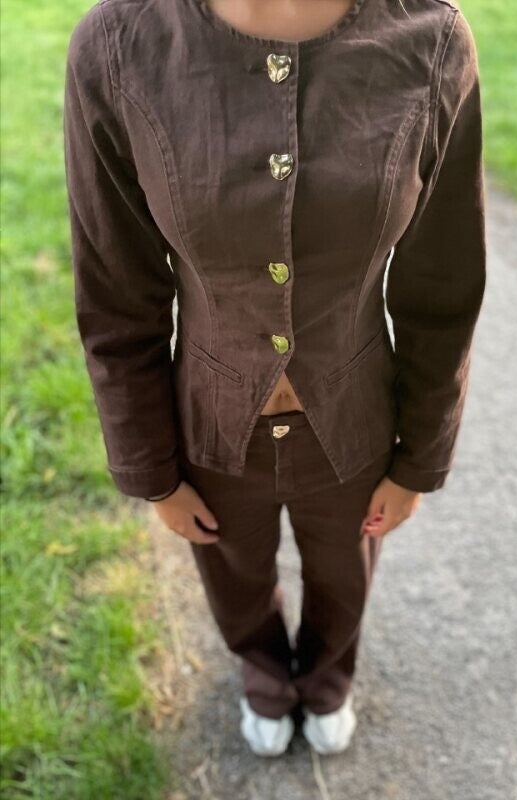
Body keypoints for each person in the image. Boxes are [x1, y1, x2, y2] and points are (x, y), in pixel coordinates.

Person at [63, 0, 486, 757]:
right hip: (210, 415)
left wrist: (420, 458)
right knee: (232, 572)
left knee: (346, 573)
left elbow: (443, 286)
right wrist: (152, 471)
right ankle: (262, 669)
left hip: (354, 413)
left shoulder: (430, 41)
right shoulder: (120, 46)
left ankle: (327, 674)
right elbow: (115, 294)